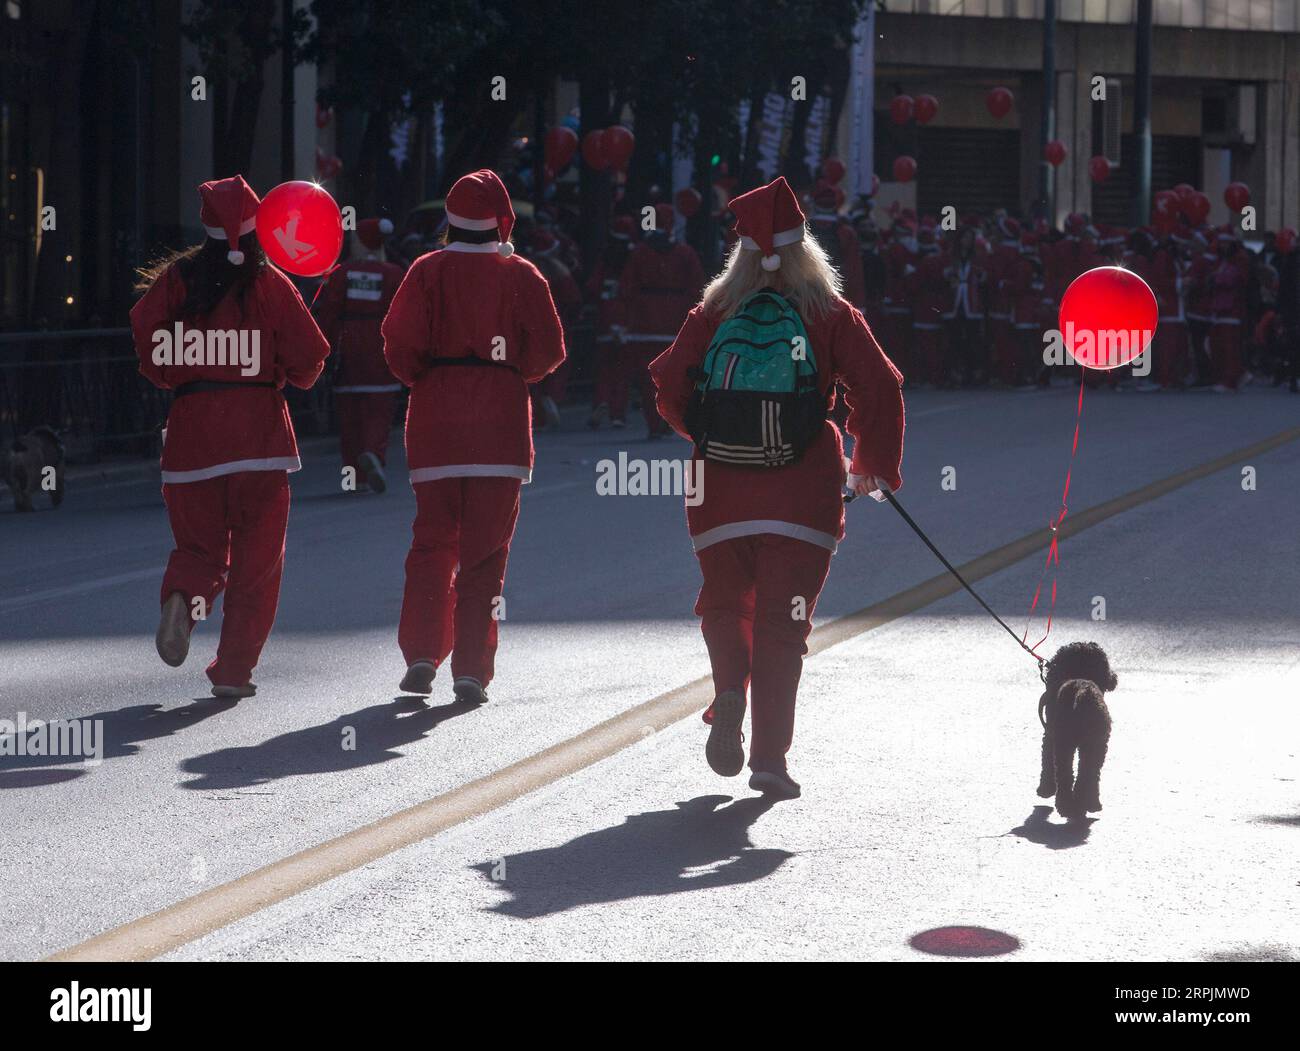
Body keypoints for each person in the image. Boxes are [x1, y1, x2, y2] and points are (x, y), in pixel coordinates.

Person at [649, 176, 905, 799]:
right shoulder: (829, 311)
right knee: (784, 624)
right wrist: (870, 461)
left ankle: (729, 688)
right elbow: (880, 385)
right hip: (802, 492)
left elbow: (667, 387)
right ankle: (768, 760)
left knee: (724, 601)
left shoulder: (714, 310)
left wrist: (709, 436)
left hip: (719, 493)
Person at [130, 174, 330, 697]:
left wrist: (180, 375)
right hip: (260, 441)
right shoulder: (270, 283)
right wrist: (282, 375)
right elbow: (311, 357)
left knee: (199, 550)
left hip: (192, 437)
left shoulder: (176, 280)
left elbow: (151, 350)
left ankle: (182, 600)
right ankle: (234, 671)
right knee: (256, 567)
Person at [381, 169, 565, 702]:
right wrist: (512, 375)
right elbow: (550, 348)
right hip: (501, 429)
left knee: (431, 544)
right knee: (486, 555)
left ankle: (420, 652)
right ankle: (470, 669)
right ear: (502, 221)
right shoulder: (522, 273)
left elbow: (398, 344)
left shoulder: (425, 270)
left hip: (436, 421)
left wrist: (430, 376)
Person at [314, 217, 405, 493]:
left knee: (349, 416)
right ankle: (373, 455)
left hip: (347, 345)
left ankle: (354, 478)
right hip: (380, 344)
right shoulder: (394, 274)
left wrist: (322, 351)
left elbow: (327, 312)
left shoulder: (339, 273)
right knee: (379, 410)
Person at [616, 203, 706, 439]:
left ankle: (654, 423)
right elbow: (697, 288)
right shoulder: (685, 253)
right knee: (676, 374)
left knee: (648, 378)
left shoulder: (639, 252)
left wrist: (627, 318)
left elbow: (626, 288)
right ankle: (672, 418)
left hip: (644, 322)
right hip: (675, 320)